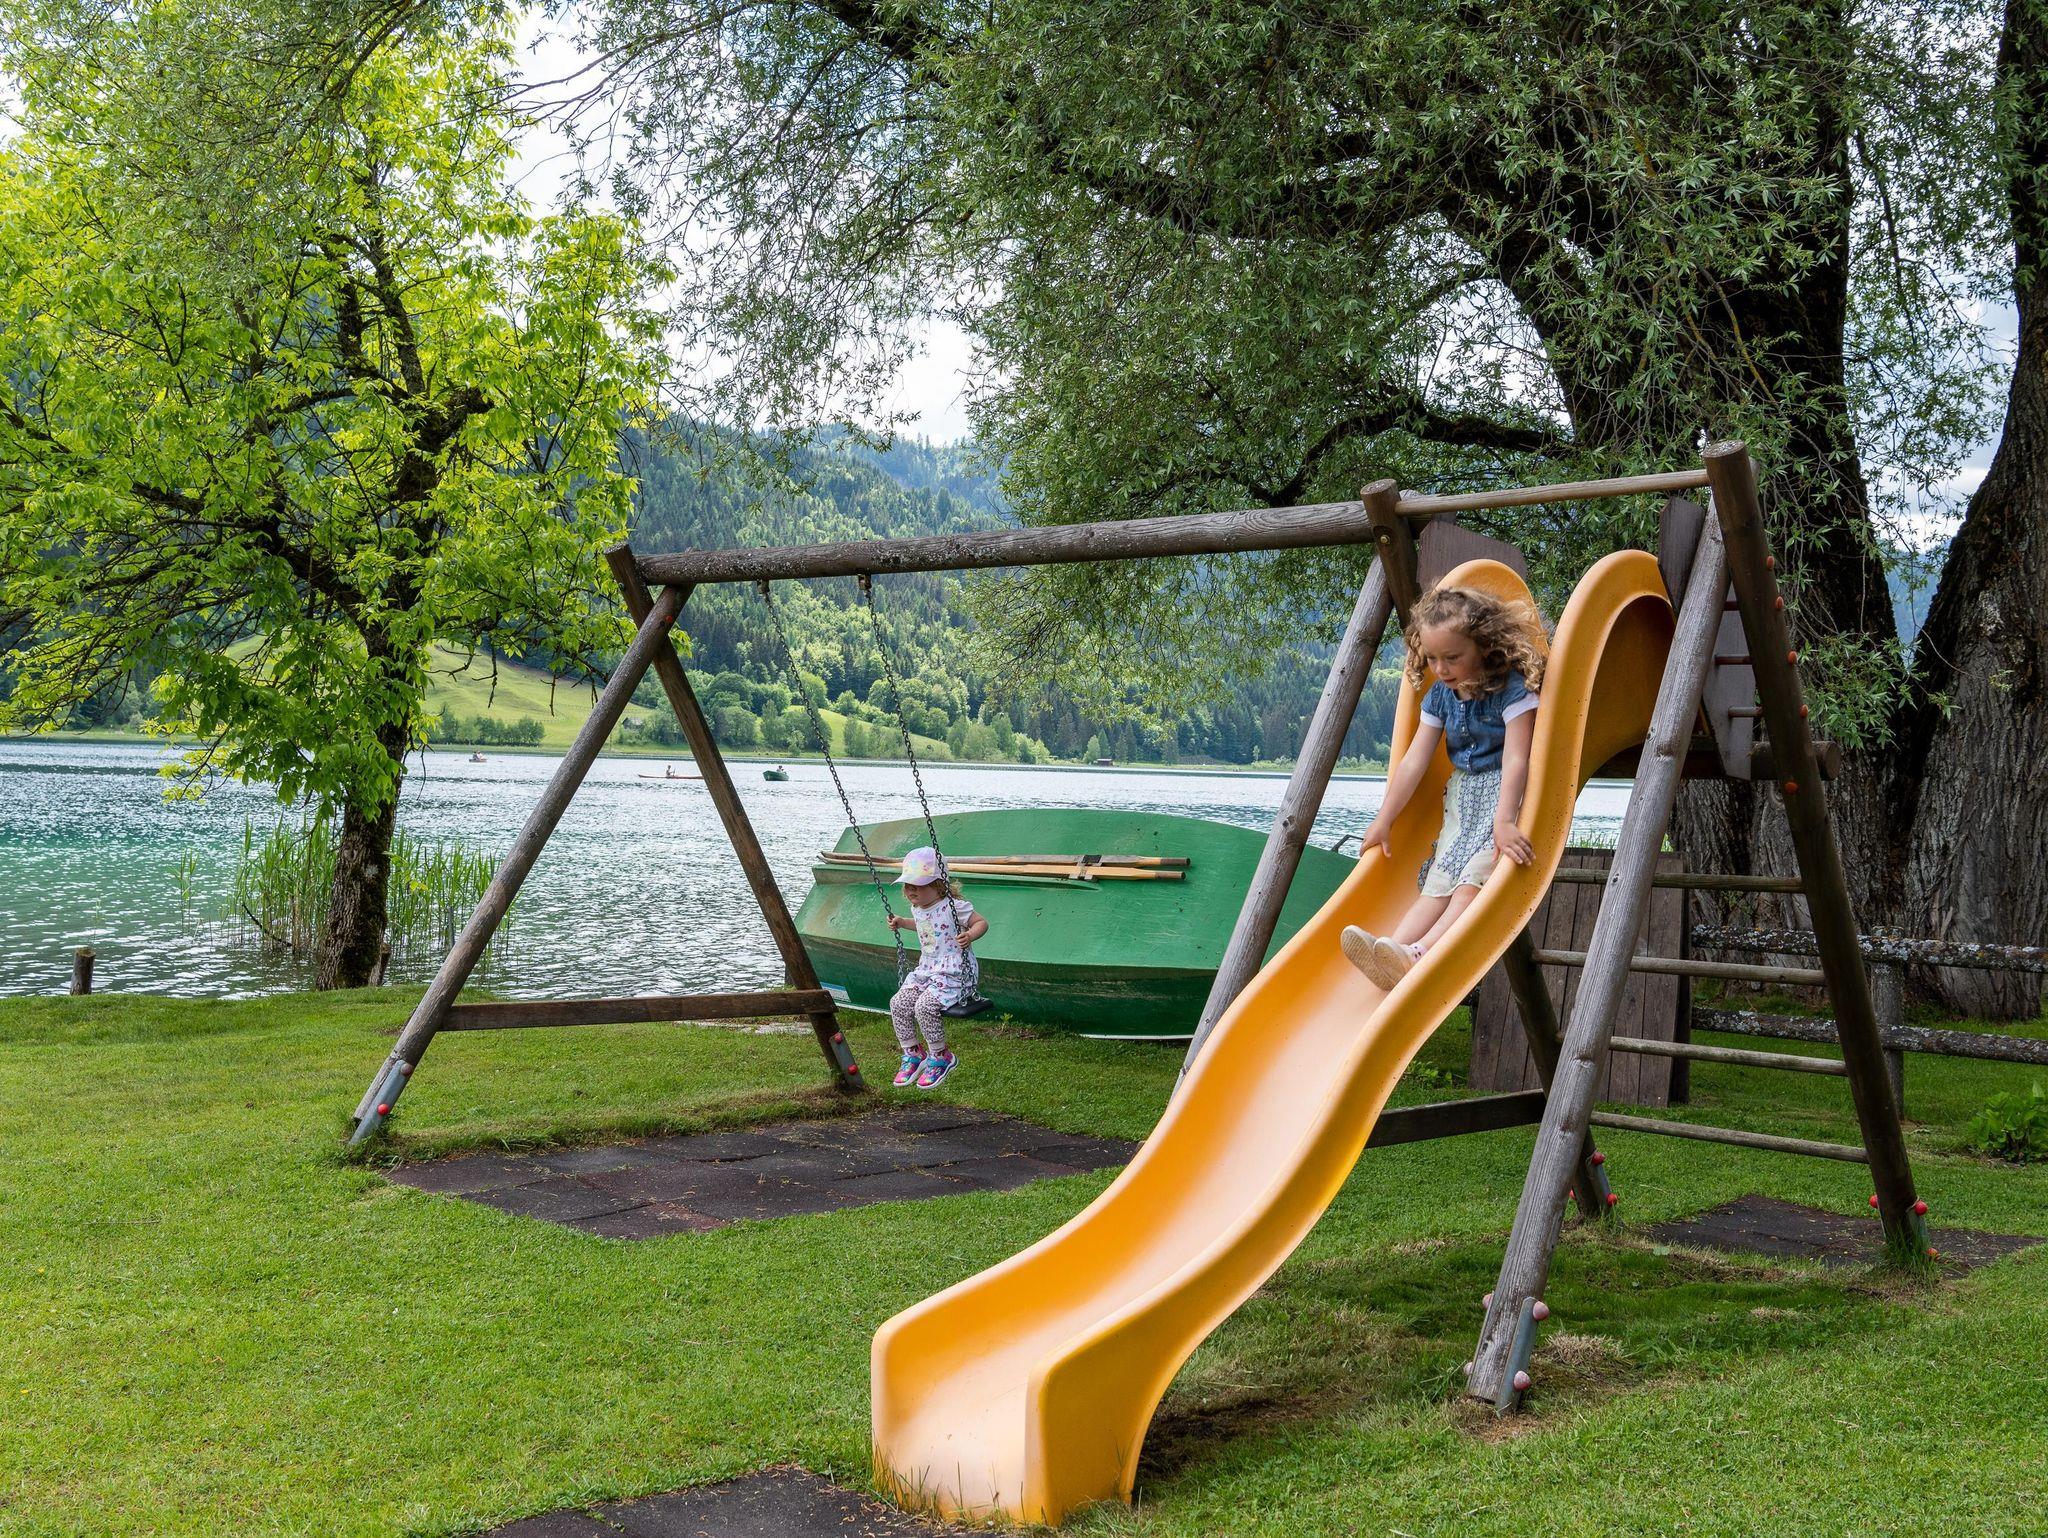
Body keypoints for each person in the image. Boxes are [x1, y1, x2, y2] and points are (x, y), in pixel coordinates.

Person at [1341, 583, 1546, 990]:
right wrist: (1384, 819)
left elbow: (1516, 758)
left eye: (1453, 657)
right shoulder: (1440, 697)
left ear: (1484, 646)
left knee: (1472, 881)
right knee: (1441, 879)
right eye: (1433, 658)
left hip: (1505, 795)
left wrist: (1505, 821)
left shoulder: (1512, 689)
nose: (1442, 668)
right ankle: (1388, 950)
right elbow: (1414, 761)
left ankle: (1421, 953)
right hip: (1463, 799)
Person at [886, 846, 987, 1089]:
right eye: (908, 885)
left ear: (939, 885)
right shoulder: (917, 908)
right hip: (928, 969)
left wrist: (970, 935)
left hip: (954, 972)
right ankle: (913, 1053)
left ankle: (941, 1056)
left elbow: (981, 922)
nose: (911, 890)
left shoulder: (954, 906)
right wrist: (903, 922)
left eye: (918, 885)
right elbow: (923, 924)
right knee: (898, 1002)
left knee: (924, 1006)